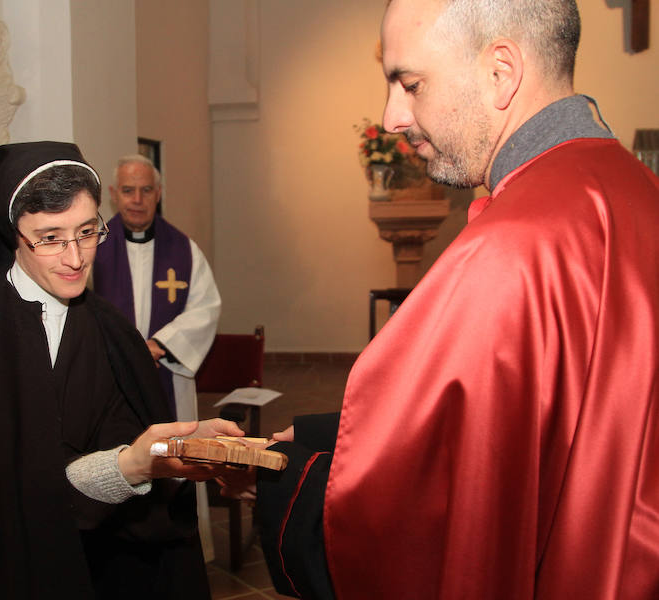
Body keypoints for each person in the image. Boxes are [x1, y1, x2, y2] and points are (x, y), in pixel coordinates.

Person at [220, 1, 659, 598]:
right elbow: (553, 416)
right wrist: (330, 435)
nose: (392, 116)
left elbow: (424, 526)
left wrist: (284, 479)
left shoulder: (513, 244)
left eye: (410, 83)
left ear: (501, 72)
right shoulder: (636, 189)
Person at [0, 142, 240, 600]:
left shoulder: (111, 332)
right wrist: (127, 464)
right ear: (13, 233)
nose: (75, 258)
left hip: (89, 567)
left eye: (88, 231)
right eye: (50, 237)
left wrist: (164, 453)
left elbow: (121, 458)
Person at [92, 154, 222, 557]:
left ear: (158, 194)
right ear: (114, 195)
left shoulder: (183, 248)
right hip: (109, 383)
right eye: (128, 190)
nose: (137, 199)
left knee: (177, 466)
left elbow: (206, 306)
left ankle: (179, 552)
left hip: (167, 375)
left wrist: (158, 345)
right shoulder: (92, 247)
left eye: (146, 190)